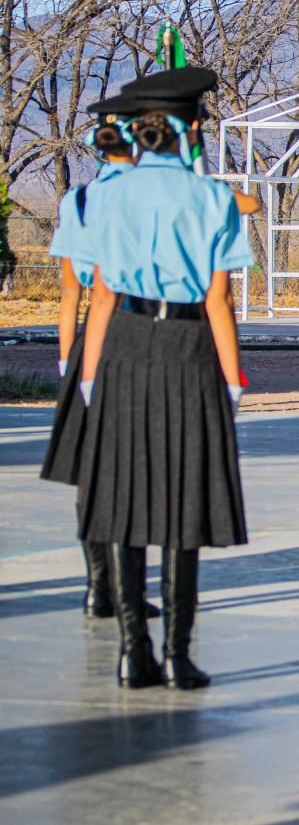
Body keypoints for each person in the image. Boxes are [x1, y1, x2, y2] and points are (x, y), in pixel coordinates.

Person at [75, 66, 253, 689]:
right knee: (184, 497)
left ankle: (133, 652)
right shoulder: (212, 199)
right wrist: (232, 378)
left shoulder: (105, 196)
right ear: (191, 130)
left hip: (123, 342)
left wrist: (90, 375)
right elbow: (218, 299)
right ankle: (177, 655)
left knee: (123, 495)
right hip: (187, 344)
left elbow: (101, 294)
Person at [38, 95, 158, 621]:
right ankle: (129, 587)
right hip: (143, 328)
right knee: (137, 461)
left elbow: (71, 293)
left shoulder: (79, 200)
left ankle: (97, 585)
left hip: (91, 335)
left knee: (91, 464)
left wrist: (67, 361)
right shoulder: (154, 193)